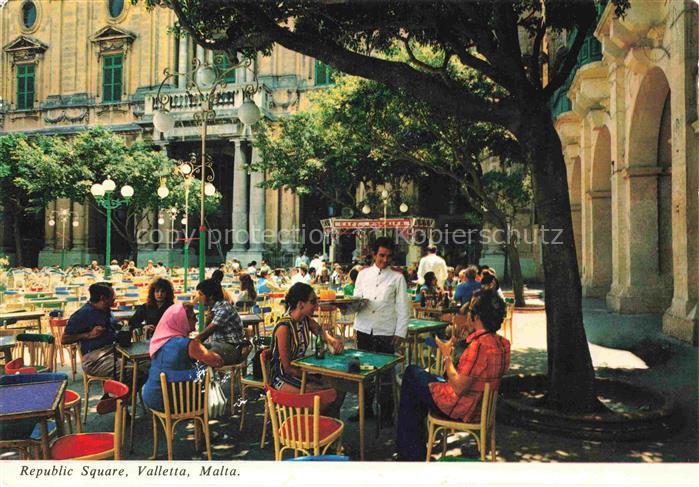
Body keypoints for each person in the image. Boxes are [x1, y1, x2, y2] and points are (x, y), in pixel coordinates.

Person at [395, 289, 511, 461]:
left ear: (476, 317)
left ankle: (411, 454)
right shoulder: (502, 343)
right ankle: (414, 450)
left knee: (411, 375)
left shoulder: (479, 346)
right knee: (417, 384)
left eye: (471, 311)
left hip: (462, 408)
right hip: (480, 407)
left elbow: (458, 387)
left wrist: (447, 355)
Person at [352, 236, 411, 424]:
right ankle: (366, 408)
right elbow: (355, 300)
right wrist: (353, 306)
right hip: (364, 329)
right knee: (364, 371)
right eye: (381, 255)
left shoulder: (397, 278)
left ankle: (387, 414)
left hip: (385, 331)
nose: (385, 260)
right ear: (373, 254)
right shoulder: (362, 274)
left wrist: (400, 333)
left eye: (388, 257)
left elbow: (403, 308)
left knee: (386, 374)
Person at [269, 283, 345, 415]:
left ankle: (325, 429)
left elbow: (320, 331)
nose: (316, 306)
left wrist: (333, 341)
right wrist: (312, 378)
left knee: (339, 388)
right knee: (325, 396)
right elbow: (287, 368)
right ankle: (311, 429)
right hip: (282, 378)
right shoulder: (284, 327)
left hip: (299, 372)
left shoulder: (305, 320)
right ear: (300, 304)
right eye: (313, 302)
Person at [141, 302, 223, 412]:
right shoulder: (190, 345)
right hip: (176, 403)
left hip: (152, 397)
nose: (196, 320)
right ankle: (201, 427)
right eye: (193, 317)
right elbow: (218, 362)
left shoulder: (159, 341)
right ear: (182, 320)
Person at [62, 282, 147, 382]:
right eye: (112, 297)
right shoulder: (82, 314)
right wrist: (88, 335)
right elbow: (64, 339)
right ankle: (116, 395)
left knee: (147, 364)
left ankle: (118, 395)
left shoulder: (106, 310)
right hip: (95, 359)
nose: (115, 298)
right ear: (103, 298)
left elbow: (113, 327)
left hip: (113, 351)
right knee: (134, 371)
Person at [196, 278, 249, 365]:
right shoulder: (214, 309)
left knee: (203, 356)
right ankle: (205, 378)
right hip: (218, 345)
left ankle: (206, 378)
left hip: (232, 349)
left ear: (211, 296)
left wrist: (189, 343)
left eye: (201, 294)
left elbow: (205, 334)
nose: (199, 298)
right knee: (195, 353)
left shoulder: (224, 308)